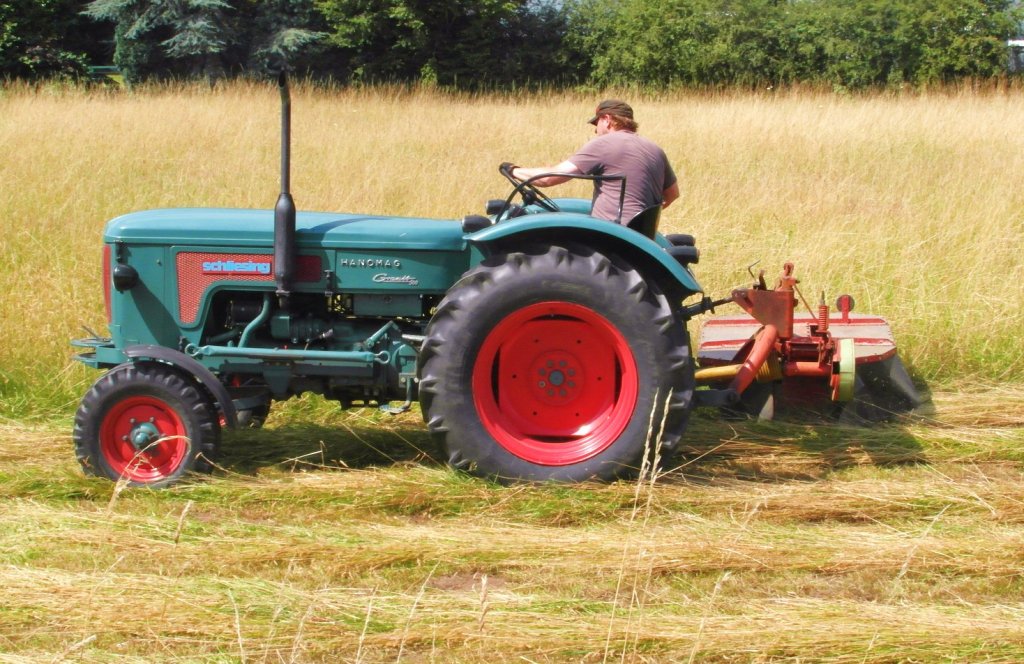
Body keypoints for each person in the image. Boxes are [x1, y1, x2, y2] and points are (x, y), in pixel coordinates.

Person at [510, 99, 679, 223]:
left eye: (596, 123)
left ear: (607, 119)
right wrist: (639, 220)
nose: (595, 131)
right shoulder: (655, 150)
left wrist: (513, 170)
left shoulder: (603, 144)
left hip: (611, 232)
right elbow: (672, 195)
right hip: (640, 235)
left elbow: (548, 179)